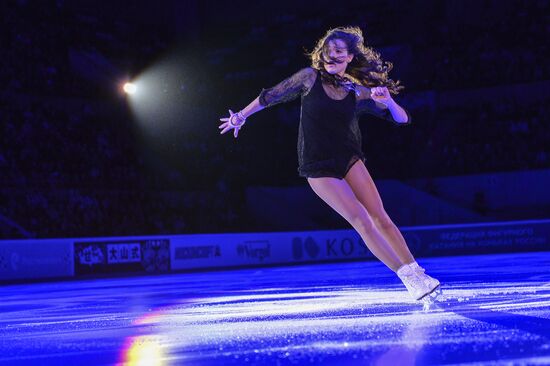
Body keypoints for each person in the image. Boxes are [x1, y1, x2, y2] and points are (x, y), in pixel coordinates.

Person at [218, 26, 441, 301]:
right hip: (318, 166)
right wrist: (241, 116)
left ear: (349, 57)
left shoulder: (354, 90)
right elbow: (270, 96)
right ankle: (408, 279)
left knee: (380, 217)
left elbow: (401, 118)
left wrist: (389, 102)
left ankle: (418, 272)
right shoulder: (309, 78)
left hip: (348, 158)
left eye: (338, 51)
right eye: (327, 50)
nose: (330, 55)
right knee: (360, 219)